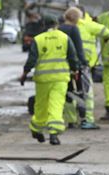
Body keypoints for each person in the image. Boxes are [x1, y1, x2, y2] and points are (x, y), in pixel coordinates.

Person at [21, 16, 80, 146]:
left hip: (43, 79)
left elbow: (32, 59)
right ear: (56, 25)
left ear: (43, 25)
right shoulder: (65, 38)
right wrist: (75, 71)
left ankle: (36, 128)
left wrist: (25, 73)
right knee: (56, 104)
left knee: (41, 105)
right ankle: (54, 134)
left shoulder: (38, 39)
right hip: (60, 78)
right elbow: (72, 57)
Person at [76, 7, 109, 130]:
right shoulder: (89, 25)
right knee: (87, 93)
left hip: (69, 65)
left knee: (71, 93)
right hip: (85, 65)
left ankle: (70, 120)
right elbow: (106, 32)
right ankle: (88, 120)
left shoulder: (65, 26)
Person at [59, 8, 88, 129]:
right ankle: (83, 118)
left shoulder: (59, 29)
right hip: (74, 66)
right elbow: (78, 49)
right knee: (81, 92)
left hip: (62, 66)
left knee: (68, 93)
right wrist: (83, 62)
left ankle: (70, 120)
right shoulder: (74, 29)